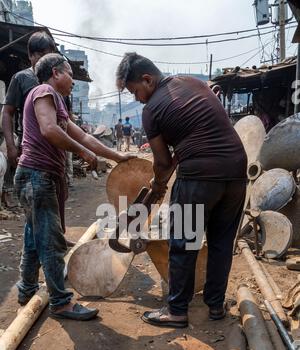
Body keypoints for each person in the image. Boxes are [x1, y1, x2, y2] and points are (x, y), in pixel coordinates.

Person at [116, 52, 247, 327]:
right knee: (221, 243)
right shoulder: (193, 83)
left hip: (199, 176)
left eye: (135, 91)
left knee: (184, 241)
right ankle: (215, 306)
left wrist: (159, 186)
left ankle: (176, 310)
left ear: (147, 79)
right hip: (237, 171)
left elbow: (163, 162)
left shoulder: (151, 110)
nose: (137, 98)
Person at [15, 53, 135, 321]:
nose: (73, 79)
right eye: (69, 72)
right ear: (56, 73)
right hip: (37, 175)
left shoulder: (58, 103)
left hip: (35, 177)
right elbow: (48, 130)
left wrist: (116, 157)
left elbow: (82, 135)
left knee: (34, 238)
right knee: (50, 242)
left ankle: (27, 290)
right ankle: (60, 302)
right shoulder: (44, 90)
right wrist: (86, 155)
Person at [2, 31, 56, 202]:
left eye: (48, 55)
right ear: (30, 56)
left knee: (50, 197)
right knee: (32, 198)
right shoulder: (21, 78)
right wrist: (10, 146)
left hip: (53, 146)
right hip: (29, 146)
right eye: (40, 55)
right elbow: (7, 112)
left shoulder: (57, 79)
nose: (44, 60)